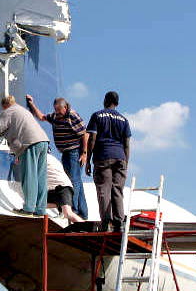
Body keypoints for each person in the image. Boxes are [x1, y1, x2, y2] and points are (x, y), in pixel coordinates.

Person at [0, 95, 49, 216]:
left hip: (30, 143)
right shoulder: (21, 110)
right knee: (40, 177)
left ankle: (29, 208)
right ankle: (41, 210)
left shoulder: (8, 111)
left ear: (4, 105)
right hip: (43, 141)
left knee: (29, 176)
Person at [26, 94, 89, 220]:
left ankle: (74, 209)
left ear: (65, 108)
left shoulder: (72, 115)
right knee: (77, 181)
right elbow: (42, 117)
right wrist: (31, 104)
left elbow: (84, 134)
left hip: (74, 152)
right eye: (56, 111)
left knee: (73, 181)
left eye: (60, 112)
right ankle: (83, 212)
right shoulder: (55, 116)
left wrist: (84, 153)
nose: (58, 114)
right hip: (65, 152)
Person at [85, 91, 131, 232]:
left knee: (104, 190)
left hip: (103, 157)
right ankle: (119, 222)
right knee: (117, 190)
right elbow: (127, 144)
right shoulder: (124, 120)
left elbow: (92, 138)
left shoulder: (97, 115)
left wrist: (88, 160)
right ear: (117, 103)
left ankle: (106, 223)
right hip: (120, 157)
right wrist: (126, 163)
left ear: (105, 100)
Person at [46, 153, 84, 223]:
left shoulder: (43, 159)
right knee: (38, 204)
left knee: (68, 213)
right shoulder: (51, 158)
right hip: (54, 189)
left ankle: (87, 229)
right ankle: (60, 205)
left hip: (63, 187)